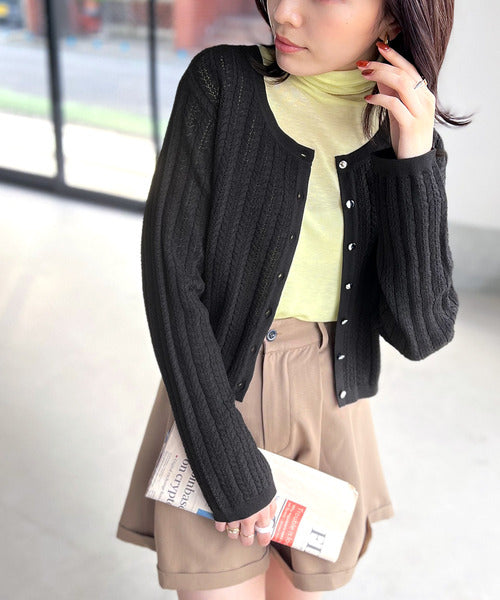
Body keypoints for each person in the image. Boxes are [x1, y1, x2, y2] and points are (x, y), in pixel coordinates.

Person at [117, 1, 470, 598]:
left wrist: (414, 159)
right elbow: (171, 281)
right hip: (217, 390)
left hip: (331, 398)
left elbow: (422, 332)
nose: (284, 12)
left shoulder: (402, 135)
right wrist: (224, 462)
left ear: (392, 18)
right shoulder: (220, 83)